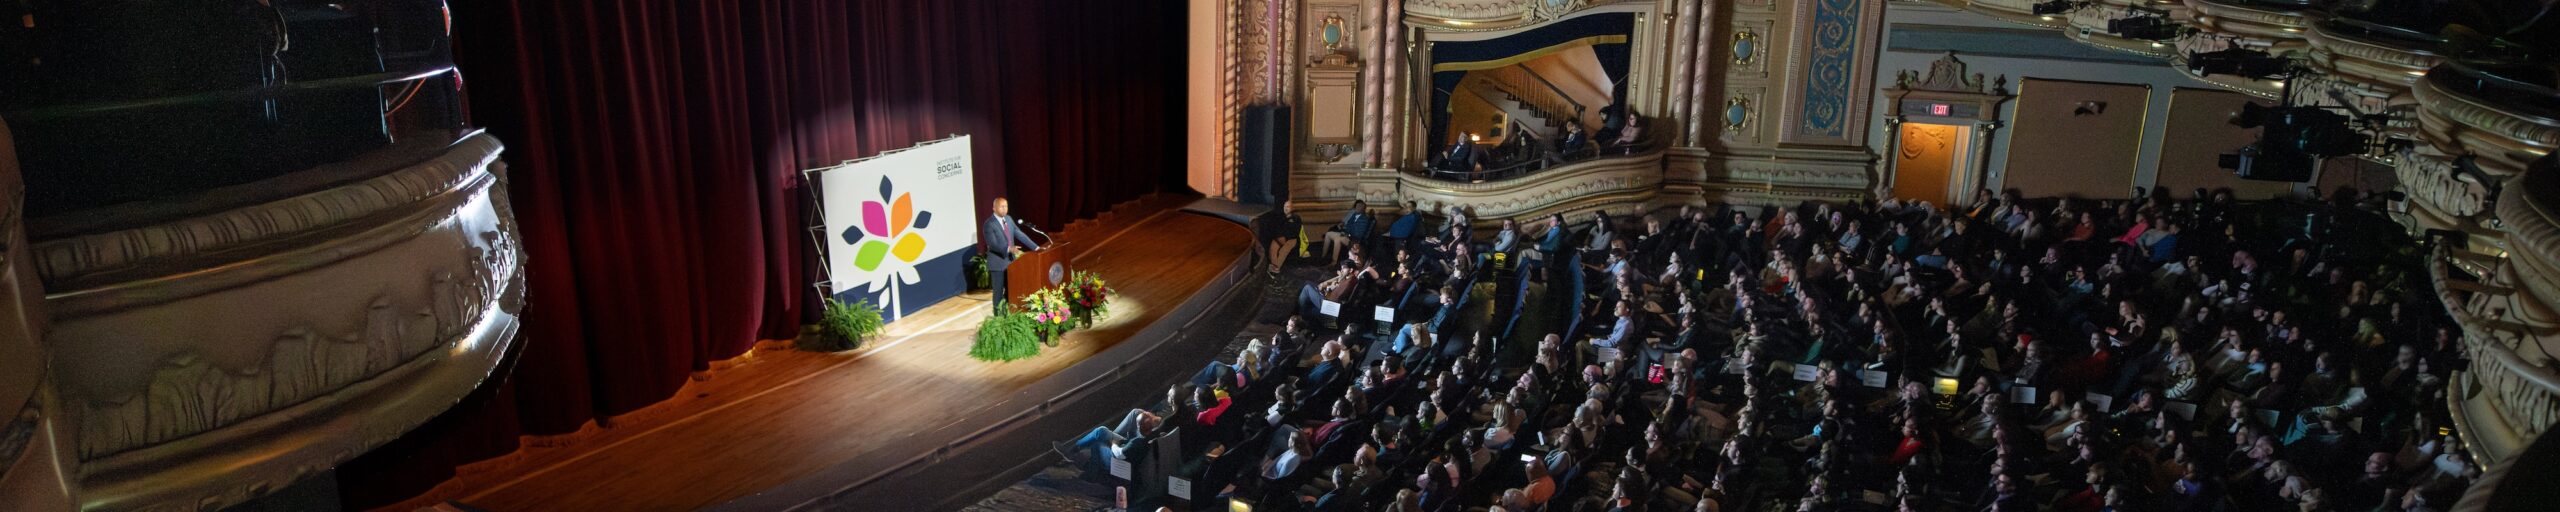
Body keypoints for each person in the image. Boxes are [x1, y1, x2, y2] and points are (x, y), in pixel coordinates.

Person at [982, 197, 1042, 313]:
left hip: (1011, 263)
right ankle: (998, 320)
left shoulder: (1008, 219)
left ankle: (1009, 315)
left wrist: (1036, 248)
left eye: (1006, 206)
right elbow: (992, 244)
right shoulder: (989, 224)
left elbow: (1020, 234)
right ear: (994, 208)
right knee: (998, 293)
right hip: (998, 264)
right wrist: (1009, 249)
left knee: (1011, 290)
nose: (1005, 209)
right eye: (1001, 206)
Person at [1259, 199, 1304, 276]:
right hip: (1282, 238)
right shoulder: (1282, 218)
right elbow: (1279, 229)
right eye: (1285, 206)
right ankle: (1274, 267)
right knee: (1273, 246)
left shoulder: (1296, 218)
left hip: (1292, 239)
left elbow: (1295, 232)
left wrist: (1285, 237)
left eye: (1288, 207)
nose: (1286, 208)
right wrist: (1279, 237)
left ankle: (1277, 267)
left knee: (1284, 249)